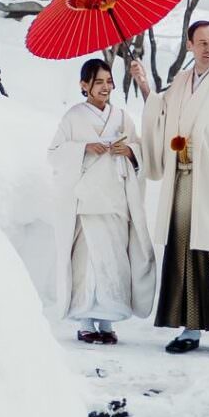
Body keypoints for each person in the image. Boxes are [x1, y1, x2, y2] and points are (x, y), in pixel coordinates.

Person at [130, 20, 209, 356]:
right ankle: (190, 329)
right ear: (189, 45)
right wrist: (144, 84)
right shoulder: (182, 81)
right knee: (184, 250)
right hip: (183, 176)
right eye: (202, 43)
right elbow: (161, 113)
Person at [48, 58, 156, 344]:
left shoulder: (122, 117)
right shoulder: (73, 117)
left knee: (114, 260)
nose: (105, 87)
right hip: (87, 202)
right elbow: (54, 153)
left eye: (108, 81)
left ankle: (107, 319)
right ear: (84, 85)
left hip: (115, 199)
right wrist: (84, 148)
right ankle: (85, 320)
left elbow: (141, 148)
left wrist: (130, 151)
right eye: (98, 82)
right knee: (87, 261)